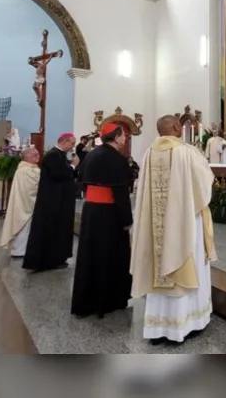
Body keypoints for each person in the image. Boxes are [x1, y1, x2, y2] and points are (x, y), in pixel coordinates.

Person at [131, 115, 217, 343]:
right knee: (188, 260)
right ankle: (189, 322)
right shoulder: (187, 152)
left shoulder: (149, 153)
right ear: (176, 127)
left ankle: (159, 328)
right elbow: (205, 183)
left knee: (158, 267)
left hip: (157, 225)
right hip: (185, 222)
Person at [72, 124, 134, 318]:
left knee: (91, 254)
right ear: (115, 138)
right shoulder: (117, 159)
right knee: (109, 254)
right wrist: (127, 218)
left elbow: (81, 178)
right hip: (110, 212)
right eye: (123, 135)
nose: (125, 138)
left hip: (92, 210)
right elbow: (120, 192)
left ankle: (87, 300)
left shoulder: (92, 154)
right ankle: (108, 300)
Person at [23, 133, 78, 272]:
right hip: (52, 201)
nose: (73, 146)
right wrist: (73, 166)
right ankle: (47, 261)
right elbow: (59, 174)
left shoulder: (59, 155)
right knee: (51, 229)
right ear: (64, 141)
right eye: (72, 143)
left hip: (59, 200)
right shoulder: (53, 155)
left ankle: (57, 258)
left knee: (59, 229)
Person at [0, 148, 41, 258]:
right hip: (25, 202)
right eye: (33, 154)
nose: (37, 155)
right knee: (24, 225)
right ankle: (19, 250)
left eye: (37, 153)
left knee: (27, 226)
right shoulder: (25, 170)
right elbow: (32, 187)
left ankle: (24, 248)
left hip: (26, 201)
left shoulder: (30, 168)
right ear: (26, 157)